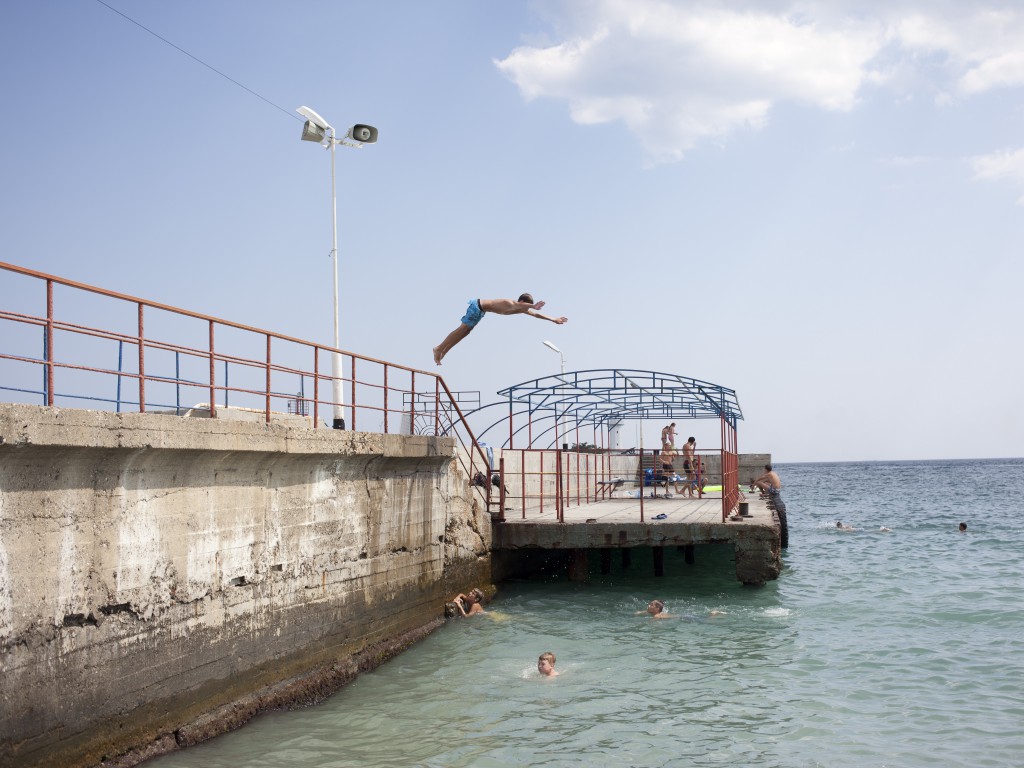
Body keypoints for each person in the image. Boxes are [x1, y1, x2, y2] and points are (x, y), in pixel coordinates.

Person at [433, 294, 568, 365]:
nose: (526, 310)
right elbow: (518, 304)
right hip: (477, 306)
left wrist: (554, 319)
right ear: (522, 302)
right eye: (525, 306)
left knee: (465, 332)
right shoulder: (510, 303)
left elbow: (537, 315)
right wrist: (533, 305)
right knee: (463, 329)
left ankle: (444, 350)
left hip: (481, 312)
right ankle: (439, 348)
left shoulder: (522, 309)